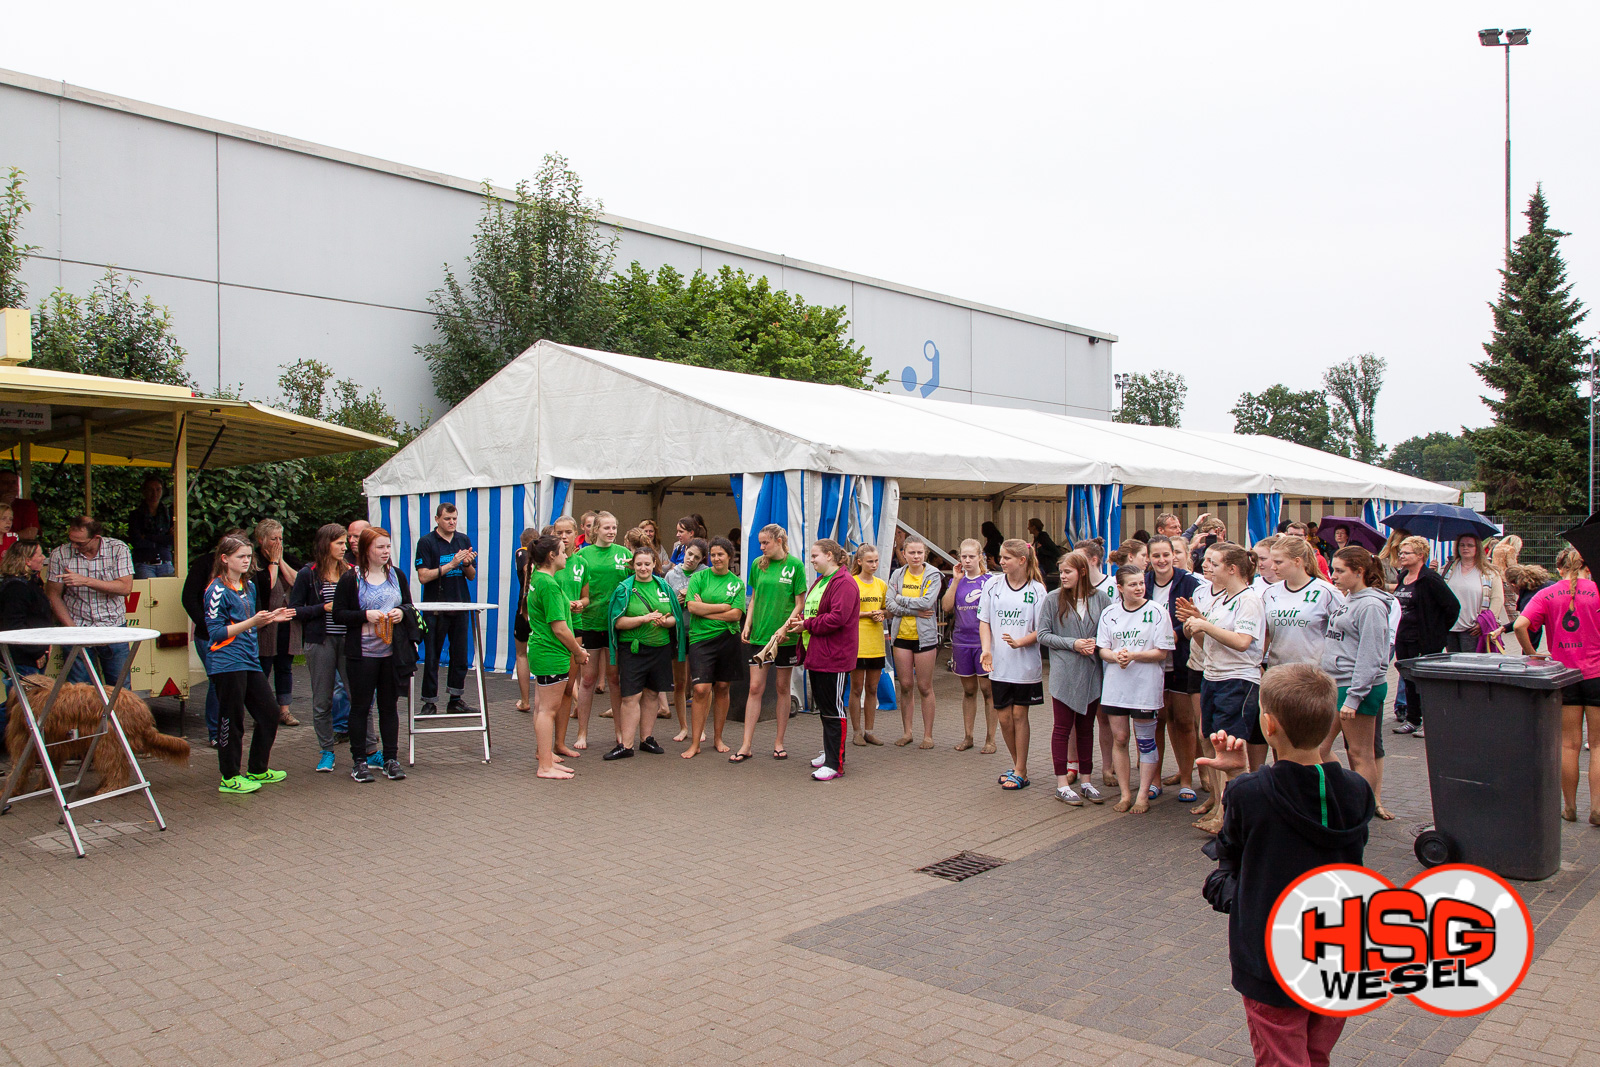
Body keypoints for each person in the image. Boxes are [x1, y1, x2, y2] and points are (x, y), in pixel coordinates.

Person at [1199, 664, 1373, 1067]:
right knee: (1315, 1055)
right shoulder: (1356, 790)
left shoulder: (1250, 792)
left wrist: (1238, 780)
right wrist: (1243, 776)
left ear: (1268, 724)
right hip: (1337, 955)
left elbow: (1233, 861)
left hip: (1272, 962)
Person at [1180, 543, 1266, 834]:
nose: (1207, 568)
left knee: (1230, 748)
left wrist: (1204, 625)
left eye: (1214, 564)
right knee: (1213, 741)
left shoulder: (1248, 600)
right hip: (1213, 676)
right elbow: (1211, 645)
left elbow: (1243, 642)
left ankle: (1231, 817)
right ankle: (1220, 805)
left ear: (1232, 569)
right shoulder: (1219, 599)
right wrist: (1196, 629)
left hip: (1238, 680)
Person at [204, 534, 295, 795]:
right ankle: (229, 777)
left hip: (249, 660)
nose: (246, 561)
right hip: (227, 663)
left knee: (269, 713)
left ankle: (257, 768)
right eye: (240, 557)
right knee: (231, 720)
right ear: (225, 559)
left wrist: (270, 618)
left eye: (248, 556)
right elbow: (217, 633)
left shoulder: (249, 586)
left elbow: (251, 620)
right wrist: (252, 623)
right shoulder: (216, 590)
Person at [1515, 547, 1600, 823]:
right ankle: (1597, 808)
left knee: (1568, 745)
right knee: (1598, 746)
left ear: (1559, 568)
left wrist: (1532, 653)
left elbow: (1520, 625)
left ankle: (1570, 807)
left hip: (1564, 676)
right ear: (1587, 566)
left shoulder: (1547, 593)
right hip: (1597, 675)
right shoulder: (1597, 591)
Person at [1318, 546, 1395, 820]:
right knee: (1319, 748)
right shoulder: (1350, 599)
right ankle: (1351, 796)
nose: (1333, 576)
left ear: (1359, 572)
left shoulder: (1371, 605)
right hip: (1340, 684)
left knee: (1360, 753)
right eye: (1333, 569)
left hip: (1357, 687)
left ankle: (1363, 806)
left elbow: (1372, 655)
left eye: (1340, 570)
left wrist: (1355, 696)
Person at [331, 526, 412, 783]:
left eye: (388, 546)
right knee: (361, 707)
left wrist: (401, 612)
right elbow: (338, 614)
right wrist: (365, 615)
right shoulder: (351, 578)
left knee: (389, 706)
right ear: (367, 550)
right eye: (380, 547)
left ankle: (390, 758)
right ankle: (359, 761)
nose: (386, 551)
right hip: (362, 653)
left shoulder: (397, 575)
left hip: (392, 652)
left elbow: (409, 605)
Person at [1096, 563, 1175, 812]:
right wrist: (1114, 657)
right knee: (1120, 737)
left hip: (1145, 687)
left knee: (1145, 742)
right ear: (1119, 588)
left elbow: (1162, 652)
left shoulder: (1158, 611)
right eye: (1133, 584)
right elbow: (1103, 649)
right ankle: (1125, 793)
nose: (1139, 588)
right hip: (1116, 687)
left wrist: (1134, 656)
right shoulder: (1109, 613)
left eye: (1141, 583)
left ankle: (1142, 794)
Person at [1261, 536, 1342, 774]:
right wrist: (1259, 663)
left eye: (1278, 562)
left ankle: (1334, 786)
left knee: (1313, 747)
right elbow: (1266, 633)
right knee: (1279, 742)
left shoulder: (1326, 591)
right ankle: (1285, 789)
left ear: (1297, 561)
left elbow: (1343, 632)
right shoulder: (1270, 593)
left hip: (1311, 678)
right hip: (1278, 678)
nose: (1272, 567)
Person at [604, 546, 685, 760]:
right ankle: (626, 744)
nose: (643, 568)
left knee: (651, 693)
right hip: (633, 649)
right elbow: (617, 622)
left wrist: (664, 621)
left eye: (647, 564)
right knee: (631, 696)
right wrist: (643, 619)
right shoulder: (624, 589)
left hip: (659, 649)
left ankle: (646, 739)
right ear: (633, 565)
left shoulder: (664, 587)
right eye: (639, 564)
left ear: (654, 565)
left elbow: (674, 618)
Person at [1037, 550, 1105, 805]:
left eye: (1068, 572)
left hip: (1091, 673)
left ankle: (1086, 780)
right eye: (1061, 572)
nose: (1062, 576)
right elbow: (1043, 634)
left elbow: (1110, 631)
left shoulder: (1101, 599)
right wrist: (1073, 643)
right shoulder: (1053, 599)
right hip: (1064, 672)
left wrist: (1096, 644)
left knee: (1087, 729)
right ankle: (1062, 783)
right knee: (1062, 728)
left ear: (1082, 572)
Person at [732, 524, 804, 762]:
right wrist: (748, 623)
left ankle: (779, 742)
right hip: (760, 636)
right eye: (760, 543)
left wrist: (785, 627)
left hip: (784, 639)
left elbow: (799, 603)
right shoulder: (757, 564)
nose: (762, 547)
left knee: (783, 688)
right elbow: (753, 598)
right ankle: (746, 744)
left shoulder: (795, 566)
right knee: (755, 688)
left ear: (780, 540)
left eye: (766, 543)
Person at [980, 538, 1047, 791]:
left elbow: (1043, 629)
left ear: (1022, 560)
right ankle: (1017, 764)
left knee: (1019, 715)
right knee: (1004, 717)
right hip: (999, 665)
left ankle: (1021, 769)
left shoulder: (1037, 590)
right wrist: (987, 650)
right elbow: (984, 620)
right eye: (1000, 557)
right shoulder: (993, 585)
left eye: (1006, 558)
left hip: (1026, 665)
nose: (1001, 561)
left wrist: (1022, 641)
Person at [525, 533, 587, 780]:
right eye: (562, 551)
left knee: (542, 707)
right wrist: (578, 651)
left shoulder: (540, 578)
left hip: (543, 650)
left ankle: (546, 757)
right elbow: (559, 627)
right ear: (551, 556)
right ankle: (545, 765)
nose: (566, 554)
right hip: (551, 652)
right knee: (547, 710)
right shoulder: (548, 584)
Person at [798, 539, 861, 781]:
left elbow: (837, 618)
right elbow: (814, 611)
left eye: (815, 555)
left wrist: (806, 624)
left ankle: (836, 764)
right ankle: (829, 752)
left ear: (830, 556)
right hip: (818, 653)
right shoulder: (822, 581)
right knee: (825, 708)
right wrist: (802, 621)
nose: (812, 559)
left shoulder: (844, 583)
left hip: (834, 656)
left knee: (834, 709)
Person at [45, 516, 134, 686]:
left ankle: (115, 714)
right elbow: (53, 594)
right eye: (72, 541)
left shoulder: (118, 549)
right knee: (79, 692)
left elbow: (125, 588)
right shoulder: (60, 553)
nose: (75, 547)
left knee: (119, 689)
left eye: (80, 543)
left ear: (96, 538)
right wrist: (72, 630)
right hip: (77, 626)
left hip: (113, 627)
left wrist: (85, 581)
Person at [1148, 535, 1202, 803]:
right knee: (1155, 721)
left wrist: (1176, 634)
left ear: (1174, 555)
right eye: (1156, 556)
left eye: (1165, 555)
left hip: (1181, 661)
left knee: (1183, 722)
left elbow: (1196, 617)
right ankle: (1153, 780)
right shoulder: (1143, 583)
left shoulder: (1189, 582)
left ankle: (1186, 779)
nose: (1161, 560)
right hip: (1151, 663)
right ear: (1149, 558)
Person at [571, 512, 631, 749]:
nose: (611, 531)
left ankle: (619, 732)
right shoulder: (583, 555)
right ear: (595, 529)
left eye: (614, 527)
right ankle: (582, 733)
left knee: (615, 679)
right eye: (606, 527)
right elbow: (576, 586)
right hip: (590, 623)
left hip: (616, 624)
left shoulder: (624, 554)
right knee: (587, 679)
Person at [1390, 535, 1459, 738]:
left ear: (1420, 555)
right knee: (1408, 679)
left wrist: (1438, 630)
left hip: (1425, 639)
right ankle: (1412, 719)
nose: (1402, 556)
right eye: (1401, 552)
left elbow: (1452, 606)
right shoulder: (1403, 576)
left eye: (1407, 552)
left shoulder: (1429, 579)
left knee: (1424, 681)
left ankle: (1430, 721)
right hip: (1404, 637)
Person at [414, 502, 477, 716]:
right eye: (447, 519)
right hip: (435, 607)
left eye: (454, 519)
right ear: (437, 520)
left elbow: (471, 576)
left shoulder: (463, 539)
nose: (451, 523)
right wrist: (451, 564)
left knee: (459, 654)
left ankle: (456, 699)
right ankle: (429, 702)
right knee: (432, 655)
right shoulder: (426, 542)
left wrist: (466, 564)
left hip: (460, 604)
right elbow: (423, 576)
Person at [684, 536, 743, 758]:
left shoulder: (737, 583)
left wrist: (705, 607)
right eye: (713, 554)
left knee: (723, 687)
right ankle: (695, 742)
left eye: (721, 554)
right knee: (700, 689)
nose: (716, 558)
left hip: (728, 639)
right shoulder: (699, 577)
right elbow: (692, 607)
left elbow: (736, 614)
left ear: (729, 556)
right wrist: (721, 607)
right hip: (701, 639)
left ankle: (718, 738)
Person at [183, 529, 243, 746]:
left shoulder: (245, 571)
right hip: (209, 636)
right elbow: (188, 598)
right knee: (218, 680)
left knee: (232, 682)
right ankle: (216, 732)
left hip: (237, 635)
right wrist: (207, 625)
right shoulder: (204, 565)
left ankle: (229, 729)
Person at [885, 535, 943, 748]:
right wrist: (914, 611)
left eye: (919, 552)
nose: (916, 556)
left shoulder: (933, 574)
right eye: (912, 552)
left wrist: (901, 599)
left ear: (924, 554)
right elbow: (889, 604)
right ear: (904, 553)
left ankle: (928, 735)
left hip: (925, 637)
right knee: (906, 685)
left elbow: (928, 601)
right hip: (901, 636)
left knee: (925, 686)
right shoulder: (898, 574)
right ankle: (907, 732)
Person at [941, 538, 995, 753]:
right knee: (969, 690)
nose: (967, 560)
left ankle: (990, 739)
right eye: (964, 556)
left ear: (980, 557)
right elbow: (946, 607)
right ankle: (968, 736)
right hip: (962, 642)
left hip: (984, 643)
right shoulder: (958, 580)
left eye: (972, 556)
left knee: (988, 691)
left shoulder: (990, 581)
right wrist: (955, 581)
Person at [252, 520, 303, 727]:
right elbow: (268, 585)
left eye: (280, 538)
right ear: (261, 540)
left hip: (287, 623)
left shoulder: (287, 558)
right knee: (263, 666)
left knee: (285, 667)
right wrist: (272, 562)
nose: (278, 542)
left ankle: (284, 711)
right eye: (274, 539)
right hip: (265, 621)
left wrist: (280, 560)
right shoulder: (254, 561)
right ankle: (261, 711)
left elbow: (297, 582)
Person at [0, 540, 54, 728]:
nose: (43, 558)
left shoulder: (28, 584)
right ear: (27, 560)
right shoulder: (16, 588)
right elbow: (14, 627)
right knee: (21, 706)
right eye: (39, 555)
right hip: (22, 657)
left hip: (29, 654)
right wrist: (36, 651)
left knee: (25, 705)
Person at [664, 537, 707, 741]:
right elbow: (662, 601)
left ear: (702, 560)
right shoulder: (671, 574)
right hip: (677, 633)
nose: (691, 559)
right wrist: (676, 599)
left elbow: (709, 599)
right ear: (685, 551)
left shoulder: (706, 574)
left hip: (699, 632)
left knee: (702, 684)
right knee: (679, 682)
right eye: (689, 554)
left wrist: (690, 596)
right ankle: (683, 727)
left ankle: (702, 727)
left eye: (696, 557)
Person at [850, 544, 889, 747]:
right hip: (857, 643)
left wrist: (882, 613)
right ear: (859, 562)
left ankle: (869, 731)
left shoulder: (881, 584)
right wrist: (868, 614)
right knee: (856, 689)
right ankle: (856, 731)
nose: (874, 565)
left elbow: (886, 609)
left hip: (876, 643)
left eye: (876, 561)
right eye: (869, 561)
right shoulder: (852, 583)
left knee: (872, 688)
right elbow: (846, 612)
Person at [1440, 534, 1506, 653]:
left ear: (1477, 548)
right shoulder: (1446, 569)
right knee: (1453, 665)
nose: (1465, 548)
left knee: (1470, 665)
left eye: (1470, 545)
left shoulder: (1490, 573)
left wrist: (1484, 623)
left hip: (1473, 628)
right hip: (1450, 627)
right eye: (1462, 545)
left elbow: (1497, 600)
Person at [512, 528, 538, 713]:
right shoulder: (547, 556)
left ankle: (525, 700)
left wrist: (527, 598)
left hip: (526, 609)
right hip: (538, 609)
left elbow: (527, 568)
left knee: (522, 654)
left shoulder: (521, 552)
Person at [127, 475, 175, 578]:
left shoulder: (169, 514)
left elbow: (173, 539)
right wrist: (162, 539)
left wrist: (148, 536)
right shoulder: (136, 515)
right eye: (150, 490)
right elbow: (136, 541)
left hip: (165, 562)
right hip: (144, 563)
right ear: (144, 491)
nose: (155, 493)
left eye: (158, 489)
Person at [0, 470, 40, 541]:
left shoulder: (27, 505)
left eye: (14, 482)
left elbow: (30, 533)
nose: (11, 486)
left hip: (20, 549)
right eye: (5, 483)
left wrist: (6, 538)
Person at [1073, 539, 1115, 603]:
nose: (1074, 562)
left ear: (1094, 560)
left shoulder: (1114, 585)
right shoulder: (1072, 585)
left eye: (1079, 558)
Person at [1027, 518, 1063, 589]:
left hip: (1046, 567)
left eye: (1029, 526)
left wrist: (1041, 549)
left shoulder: (1043, 536)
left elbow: (1056, 552)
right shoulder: (1036, 537)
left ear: (1034, 527)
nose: (1028, 528)